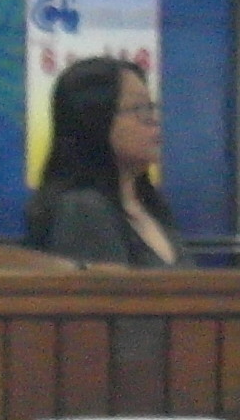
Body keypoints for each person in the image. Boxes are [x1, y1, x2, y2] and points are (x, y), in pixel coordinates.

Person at [25, 58, 182, 269]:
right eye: (138, 108)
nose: (153, 120)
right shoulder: (82, 209)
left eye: (151, 107)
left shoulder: (152, 206)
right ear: (95, 120)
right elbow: (110, 290)